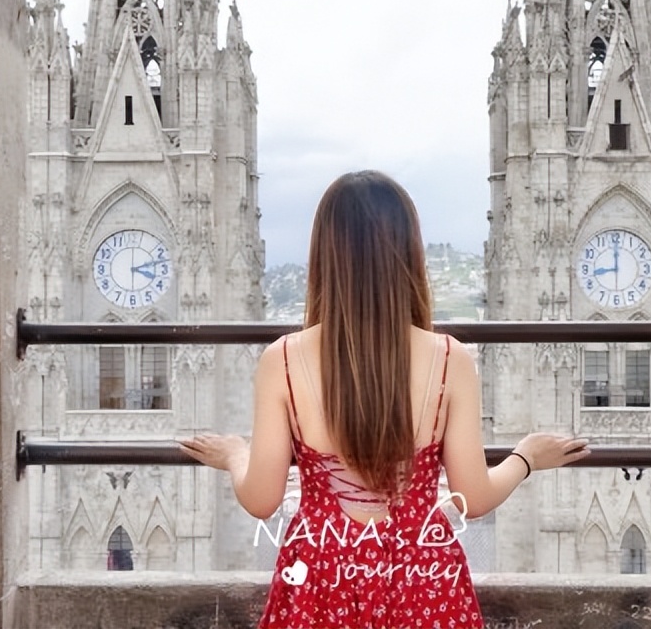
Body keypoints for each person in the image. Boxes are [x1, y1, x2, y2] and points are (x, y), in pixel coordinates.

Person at [181, 171, 588, 628]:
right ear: (409, 253)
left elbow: (261, 500)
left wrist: (236, 454)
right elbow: (471, 497)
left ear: (324, 256)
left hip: (319, 576)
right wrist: (527, 457)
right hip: (424, 575)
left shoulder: (284, 360)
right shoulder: (450, 359)